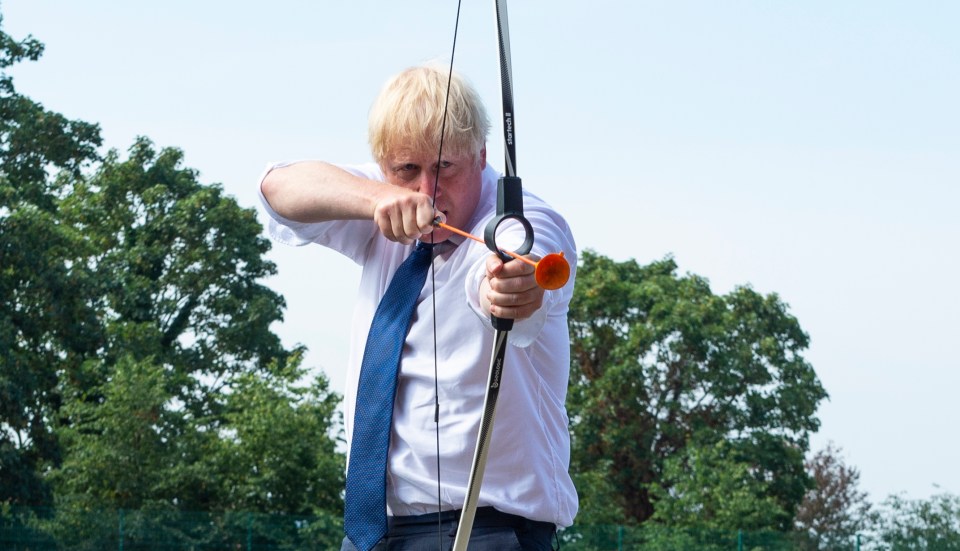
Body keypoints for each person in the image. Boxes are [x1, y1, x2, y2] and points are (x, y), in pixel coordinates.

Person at [258, 64, 577, 551]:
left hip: (486, 531)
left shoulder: (522, 219)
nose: (427, 190)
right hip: (373, 534)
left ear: (481, 155)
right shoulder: (386, 200)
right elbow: (279, 188)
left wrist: (515, 284)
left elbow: (518, 257)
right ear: (385, 166)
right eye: (408, 170)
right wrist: (378, 198)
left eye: (445, 167)